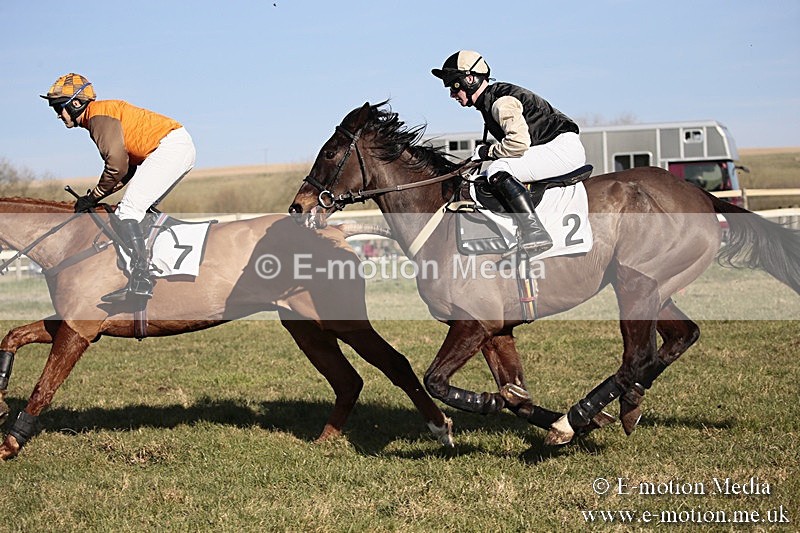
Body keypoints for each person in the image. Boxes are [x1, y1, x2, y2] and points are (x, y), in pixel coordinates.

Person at [41, 73, 196, 302]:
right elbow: (126, 169)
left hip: (169, 147)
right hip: (175, 147)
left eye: (58, 108)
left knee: (127, 212)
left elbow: (116, 165)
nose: (58, 115)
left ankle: (142, 279)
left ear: (75, 103)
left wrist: (94, 196)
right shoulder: (98, 115)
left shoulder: (97, 117)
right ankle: (158, 269)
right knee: (139, 210)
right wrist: (97, 195)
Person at [432, 50, 586, 254]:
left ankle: (535, 232)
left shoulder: (501, 102)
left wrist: (488, 152)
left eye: (453, 85)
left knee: (498, 168)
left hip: (563, 149)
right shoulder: (490, 101)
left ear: (470, 80)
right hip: (554, 146)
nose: (452, 94)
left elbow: (518, 144)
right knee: (487, 175)